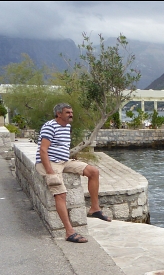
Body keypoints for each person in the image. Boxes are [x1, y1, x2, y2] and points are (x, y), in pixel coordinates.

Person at [35, 102, 111, 243]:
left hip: (64, 161)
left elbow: (62, 146)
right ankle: (69, 232)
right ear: (59, 114)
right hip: (49, 163)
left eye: (71, 112)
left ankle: (94, 209)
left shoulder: (67, 126)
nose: (71, 115)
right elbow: (43, 150)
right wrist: (51, 172)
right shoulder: (49, 126)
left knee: (93, 172)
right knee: (61, 194)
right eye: (67, 112)